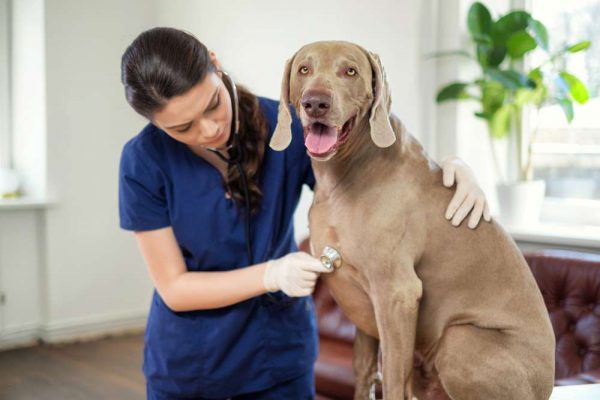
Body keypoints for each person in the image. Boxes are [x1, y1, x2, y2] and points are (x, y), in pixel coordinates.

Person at [119, 27, 491, 400]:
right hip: (194, 367)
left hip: (281, 359)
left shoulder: (289, 129)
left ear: (216, 65)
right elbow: (175, 288)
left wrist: (450, 167)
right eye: (183, 128)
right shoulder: (143, 162)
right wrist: (271, 274)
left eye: (213, 103)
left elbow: (381, 180)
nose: (210, 128)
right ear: (155, 124)